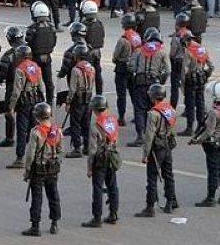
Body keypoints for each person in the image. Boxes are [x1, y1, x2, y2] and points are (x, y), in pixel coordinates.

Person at [135, 84, 178, 217]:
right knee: (168, 174)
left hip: (156, 148)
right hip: (167, 145)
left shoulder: (153, 114)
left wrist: (145, 154)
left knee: (152, 178)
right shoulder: (171, 109)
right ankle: (170, 202)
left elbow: (149, 136)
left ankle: (150, 207)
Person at [191, 81, 220, 206]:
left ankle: (210, 198)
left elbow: (208, 132)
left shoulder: (214, 113)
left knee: (213, 171)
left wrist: (197, 140)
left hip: (213, 145)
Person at [21, 102, 62, 236]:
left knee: (37, 197)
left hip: (38, 168)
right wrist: (57, 162)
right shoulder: (56, 130)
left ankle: (35, 226)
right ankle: (54, 223)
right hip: (53, 167)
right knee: (53, 195)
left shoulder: (36, 132)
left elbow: (30, 154)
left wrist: (27, 170)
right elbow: (61, 150)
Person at [127, 27, 169, 147]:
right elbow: (167, 70)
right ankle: (155, 133)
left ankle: (140, 136)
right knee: (154, 109)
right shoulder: (162, 51)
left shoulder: (139, 50)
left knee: (139, 109)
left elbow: (132, 67)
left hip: (140, 82)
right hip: (154, 83)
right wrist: (161, 81)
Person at [84, 95, 121, 227]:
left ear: (94, 110)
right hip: (111, 156)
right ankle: (113, 214)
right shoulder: (113, 121)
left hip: (100, 159)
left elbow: (92, 149)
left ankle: (97, 217)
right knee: (112, 186)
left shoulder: (95, 126)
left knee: (98, 188)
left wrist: (89, 168)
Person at [0, 26, 25, 148]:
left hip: (12, 86)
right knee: (24, 112)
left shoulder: (8, 56)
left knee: (9, 111)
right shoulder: (28, 51)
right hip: (28, 85)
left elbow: (3, 73)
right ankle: (25, 136)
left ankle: (9, 138)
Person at [64, 43, 95, 158]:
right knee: (86, 124)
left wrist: (68, 102)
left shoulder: (76, 70)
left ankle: (77, 148)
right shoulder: (91, 68)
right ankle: (87, 146)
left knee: (75, 124)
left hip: (78, 99)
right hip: (88, 98)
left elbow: (72, 89)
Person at [180, 33, 214, 136]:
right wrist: (206, 75)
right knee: (200, 103)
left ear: (186, 41)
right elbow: (211, 66)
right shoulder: (202, 49)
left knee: (190, 104)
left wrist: (182, 84)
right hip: (201, 79)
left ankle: (189, 128)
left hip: (191, 80)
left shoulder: (188, 51)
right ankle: (201, 125)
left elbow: (184, 70)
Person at [111, 14, 142, 127]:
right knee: (134, 94)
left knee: (121, 95)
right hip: (134, 68)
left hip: (121, 68)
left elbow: (115, 56)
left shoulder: (123, 40)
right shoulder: (137, 36)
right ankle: (137, 115)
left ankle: (121, 117)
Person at [24, 1, 57, 101]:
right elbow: (54, 42)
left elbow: (28, 41)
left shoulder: (33, 28)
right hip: (47, 57)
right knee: (48, 80)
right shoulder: (52, 27)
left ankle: (35, 99)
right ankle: (50, 100)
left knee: (33, 80)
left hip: (35, 58)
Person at [79, 0, 106, 94]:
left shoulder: (84, 25)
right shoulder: (99, 23)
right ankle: (100, 93)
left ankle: (87, 94)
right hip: (97, 51)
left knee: (87, 75)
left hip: (88, 52)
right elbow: (102, 35)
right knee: (98, 73)